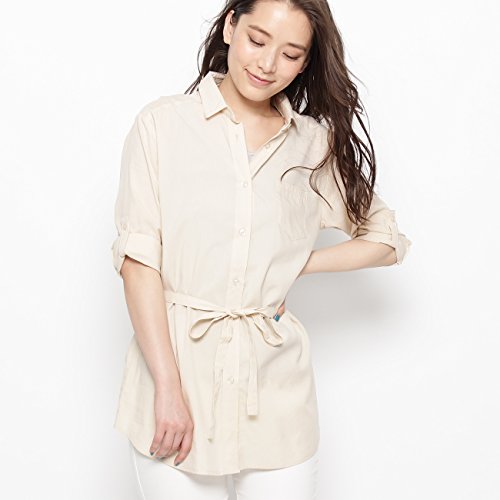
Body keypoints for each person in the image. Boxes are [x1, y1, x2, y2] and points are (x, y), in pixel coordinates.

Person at [110, 0, 412, 498]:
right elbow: (139, 263)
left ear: (306, 62)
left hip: (277, 397)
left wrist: (294, 264)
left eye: (291, 54)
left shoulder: (312, 145)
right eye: (257, 40)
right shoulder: (161, 126)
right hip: (176, 381)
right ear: (231, 26)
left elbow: (386, 239)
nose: (268, 64)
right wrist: (167, 388)